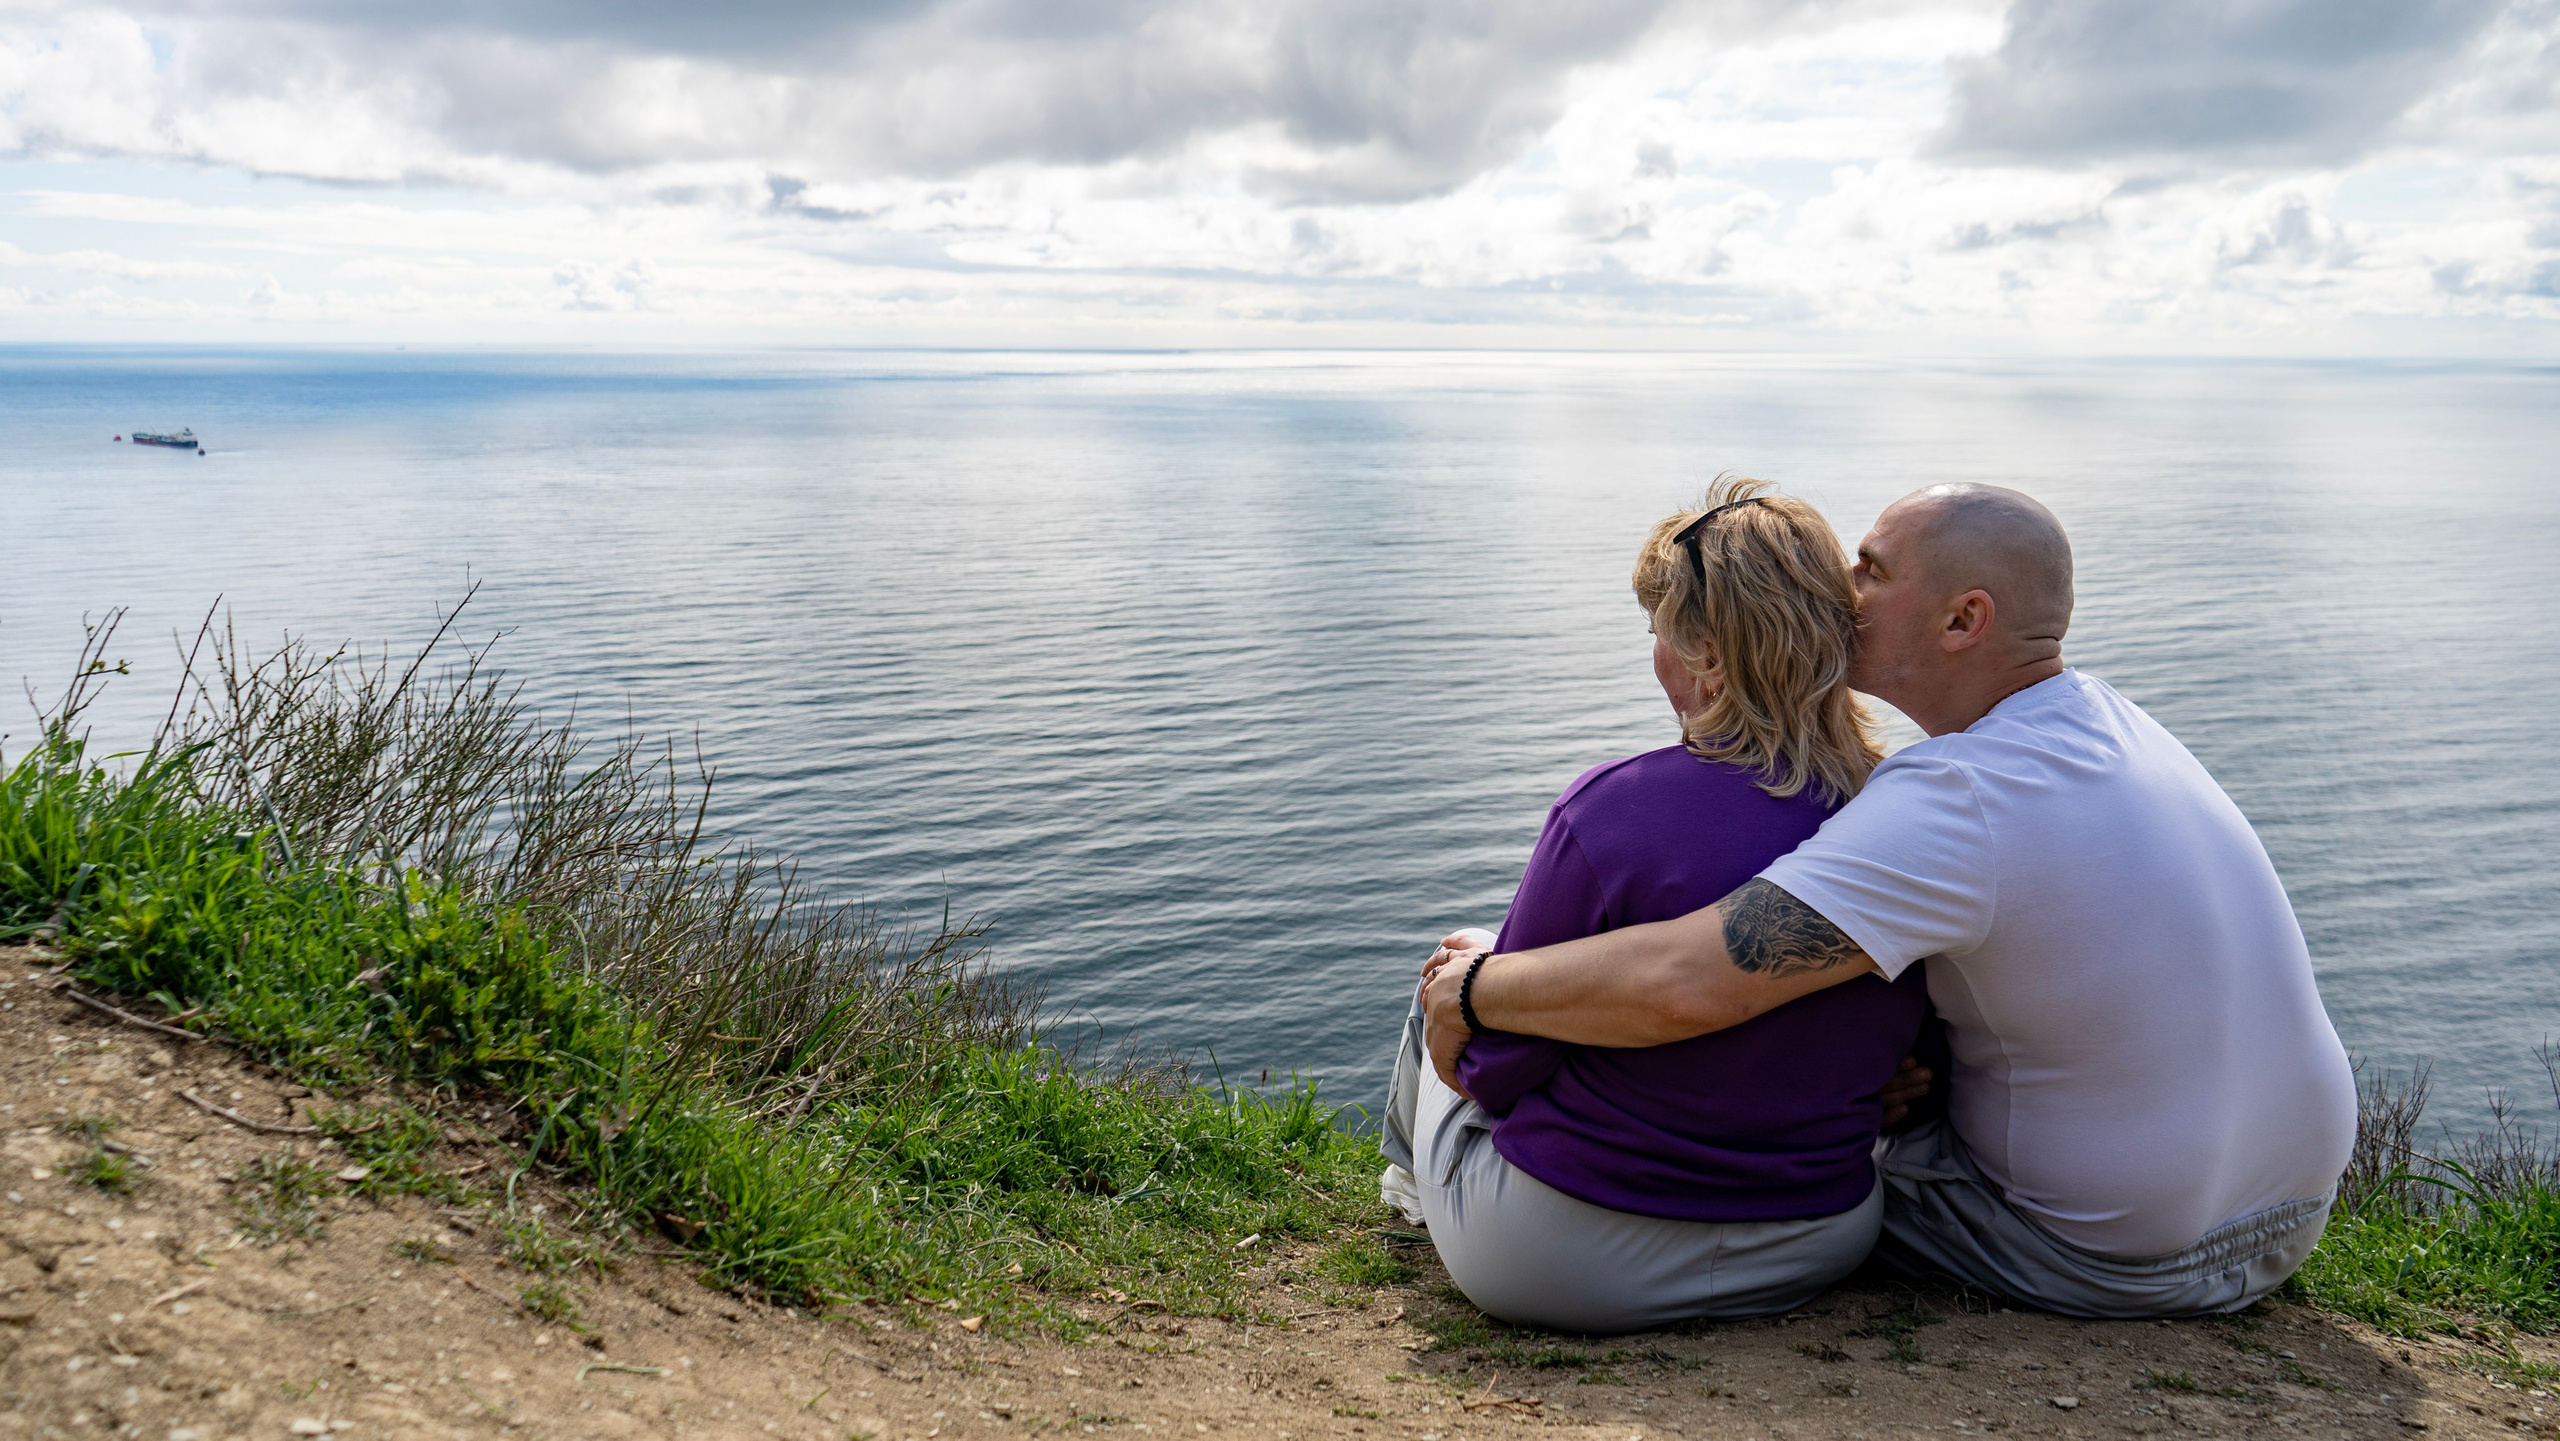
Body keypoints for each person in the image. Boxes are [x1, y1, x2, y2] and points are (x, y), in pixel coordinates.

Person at [1421, 483, 2358, 1319]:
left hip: (2117, 1254)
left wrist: (1470, 986)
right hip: (2288, 1214)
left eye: (1869, 569)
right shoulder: (2114, 725)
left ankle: (1417, 1187)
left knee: (1809, 1157)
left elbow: (1687, 982)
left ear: (1964, 618)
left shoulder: (1957, 797)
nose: (1841, 588)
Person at [1378, 478, 1930, 1334]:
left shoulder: (1609, 810)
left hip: (1560, 1260)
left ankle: (1412, 1197)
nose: (1657, 659)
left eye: (1659, 635)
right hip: (1817, 1238)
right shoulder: (1908, 816)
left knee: (1463, 960)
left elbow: (1498, 1067)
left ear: (1707, 655)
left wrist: (1469, 1010)